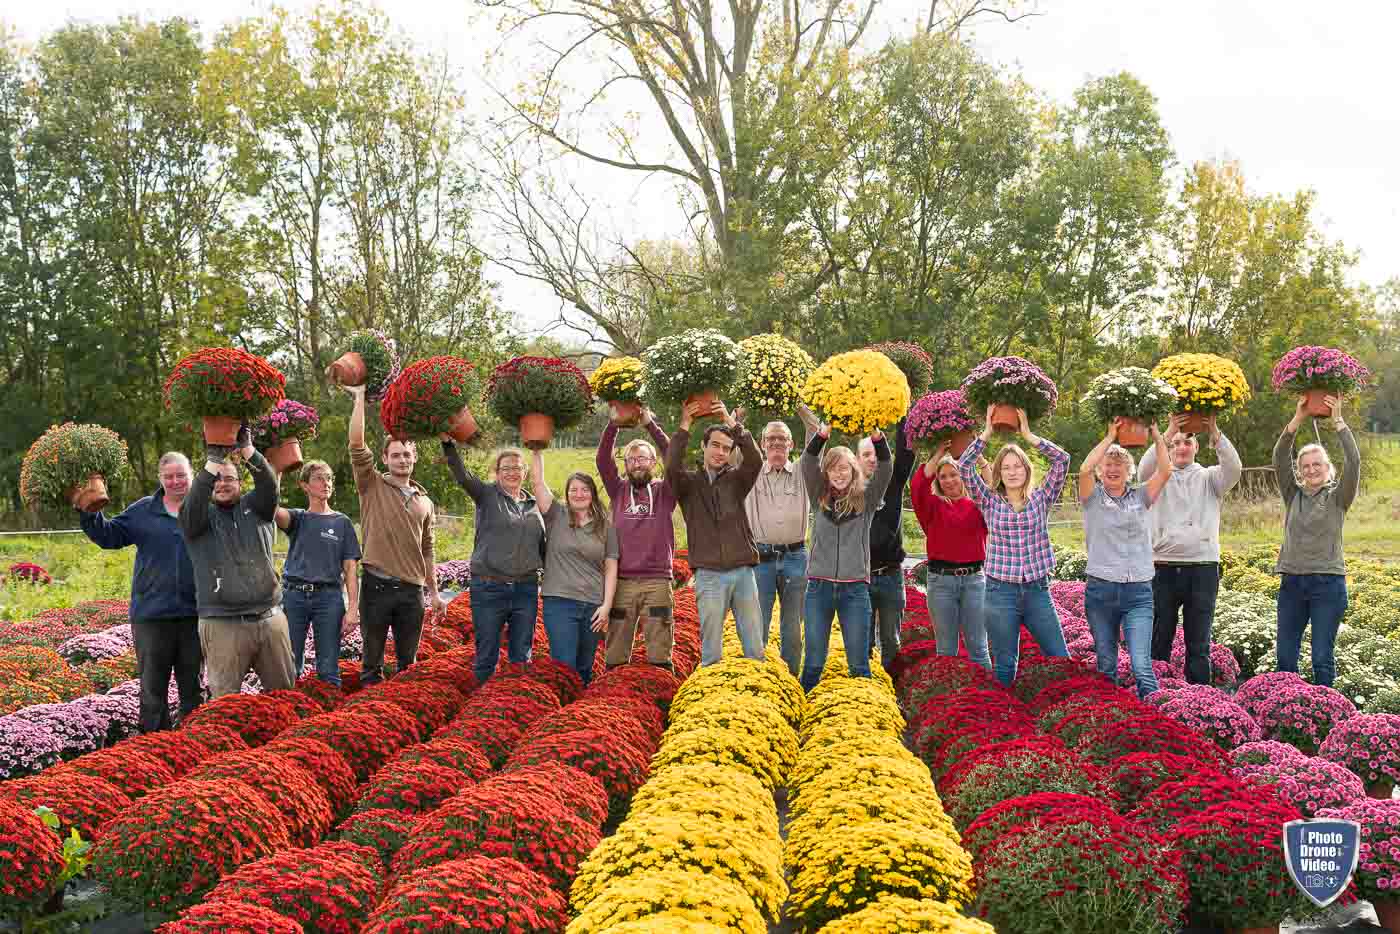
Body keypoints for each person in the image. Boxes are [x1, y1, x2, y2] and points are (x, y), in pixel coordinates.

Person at [79, 452, 202, 732]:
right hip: (152, 616)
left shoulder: (204, 509)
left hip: (195, 615)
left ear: (191, 475)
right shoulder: (144, 510)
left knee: (192, 689)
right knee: (152, 691)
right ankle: (153, 748)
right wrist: (89, 510)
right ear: (161, 479)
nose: (175, 481)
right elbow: (109, 536)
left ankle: (195, 745)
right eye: (169, 476)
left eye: (181, 475)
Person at [959, 406, 1072, 687]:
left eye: (1017, 466)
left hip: (1037, 591)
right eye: (1006, 467)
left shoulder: (1042, 497)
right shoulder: (988, 500)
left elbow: (1062, 460)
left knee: (1060, 658)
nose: (1012, 472)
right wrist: (985, 433)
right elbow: (963, 467)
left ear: (1026, 469)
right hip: (1000, 593)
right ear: (998, 472)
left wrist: (1029, 435)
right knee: (1006, 663)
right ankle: (1005, 719)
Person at [179, 425, 295, 698]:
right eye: (216, 480)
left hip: (270, 618)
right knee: (226, 702)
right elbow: (194, 499)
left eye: (229, 479)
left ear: (240, 484)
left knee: (285, 697)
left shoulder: (257, 508)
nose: (222, 484)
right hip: (222, 624)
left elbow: (268, 485)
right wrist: (213, 461)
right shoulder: (197, 518)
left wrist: (248, 450)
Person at [347, 386, 444, 686]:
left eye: (407, 455)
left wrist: (436, 593)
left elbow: (427, 551)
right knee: (371, 665)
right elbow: (356, 444)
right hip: (376, 587)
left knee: (407, 666)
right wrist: (360, 398)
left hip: (412, 592)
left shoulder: (425, 502)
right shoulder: (371, 485)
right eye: (396, 455)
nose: (402, 460)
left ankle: (400, 717)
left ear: (414, 458)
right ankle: (368, 719)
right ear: (385, 459)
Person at [1139, 412, 1242, 684]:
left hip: (1203, 568)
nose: (1181, 447)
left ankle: (1198, 698)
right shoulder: (1158, 479)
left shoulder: (1210, 478)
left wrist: (1214, 430)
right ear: (1169, 447)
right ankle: (1156, 696)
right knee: (1159, 638)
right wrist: (1170, 429)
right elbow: (1143, 469)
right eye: (1176, 444)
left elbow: (1234, 468)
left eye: (1188, 442)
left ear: (1197, 447)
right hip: (1162, 568)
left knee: (1199, 643)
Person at [665, 400, 764, 665]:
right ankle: (711, 695)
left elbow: (755, 459)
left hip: (743, 572)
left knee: (754, 648)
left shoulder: (737, 480)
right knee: (711, 652)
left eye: (726, 448)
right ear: (704, 447)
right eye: (715, 445)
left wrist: (731, 422)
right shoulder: (687, 484)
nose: (720, 452)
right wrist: (685, 425)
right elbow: (671, 466)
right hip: (708, 575)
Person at [1079, 420, 1172, 699]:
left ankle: (1157, 719)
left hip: (1138, 593)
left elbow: (1165, 470)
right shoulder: (1092, 497)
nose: (1113, 469)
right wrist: (1109, 437)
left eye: (1119, 465)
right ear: (1100, 470)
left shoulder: (1141, 496)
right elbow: (1084, 469)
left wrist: (1157, 435)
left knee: (1141, 666)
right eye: (1108, 465)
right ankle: (1112, 723)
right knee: (1106, 666)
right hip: (1101, 592)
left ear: (1128, 471)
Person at [798, 421, 893, 691]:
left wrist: (877, 436)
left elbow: (886, 468)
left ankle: (865, 715)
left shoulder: (868, 499)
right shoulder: (818, 496)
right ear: (825, 473)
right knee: (814, 662)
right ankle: (803, 716)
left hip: (855, 591)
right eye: (832, 468)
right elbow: (807, 462)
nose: (839, 474)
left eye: (844, 468)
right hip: (818, 589)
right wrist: (822, 434)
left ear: (853, 470)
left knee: (859, 664)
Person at [1273, 395, 1359, 688]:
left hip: (1328, 585)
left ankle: (1328, 720)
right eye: (1305, 465)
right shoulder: (1292, 493)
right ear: (1299, 470)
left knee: (1322, 657)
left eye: (1316, 464)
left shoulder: (1338, 497)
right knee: (1285, 658)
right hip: (1292, 585)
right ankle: (1286, 711)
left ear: (1327, 467)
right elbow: (1279, 456)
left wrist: (1338, 422)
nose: (1311, 469)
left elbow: (1354, 461)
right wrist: (1297, 419)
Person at [444, 442, 543, 683]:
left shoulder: (534, 505)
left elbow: (545, 545)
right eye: (506, 468)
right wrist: (448, 444)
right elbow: (463, 475)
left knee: (522, 655)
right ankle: (481, 705)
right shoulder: (487, 495)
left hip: (525, 589)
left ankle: (515, 704)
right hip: (490, 588)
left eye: (517, 468)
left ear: (525, 472)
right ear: (497, 473)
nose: (512, 473)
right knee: (487, 653)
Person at [595, 406, 678, 671]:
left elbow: (673, 458)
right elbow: (602, 461)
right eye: (631, 459)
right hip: (622, 582)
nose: (637, 463)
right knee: (616, 650)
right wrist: (613, 425)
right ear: (626, 465)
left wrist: (650, 425)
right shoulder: (617, 489)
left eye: (643, 458)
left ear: (654, 463)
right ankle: (614, 693)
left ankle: (660, 694)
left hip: (657, 581)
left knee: (659, 650)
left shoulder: (666, 491)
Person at [743, 406, 820, 677]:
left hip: (795, 558)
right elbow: (732, 436)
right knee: (757, 625)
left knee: (792, 630)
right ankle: (758, 680)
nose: (776, 443)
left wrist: (795, 400)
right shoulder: (750, 470)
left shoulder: (803, 470)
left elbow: (816, 430)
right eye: (770, 439)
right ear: (763, 445)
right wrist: (742, 409)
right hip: (760, 559)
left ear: (792, 444)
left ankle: (789, 681)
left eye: (782, 439)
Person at [531, 451, 618, 684]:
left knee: (584, 666)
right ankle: (560, 713)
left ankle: (576, 717)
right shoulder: (556, 515)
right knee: (563, 665)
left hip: (592, 604)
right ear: (567, 494)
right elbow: (538, 482)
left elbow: (611, 566)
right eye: (573, 490)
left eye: (584, 490)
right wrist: (536, 449)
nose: (579, 494)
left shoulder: (606, 526)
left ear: (592, 494)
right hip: (559, 602)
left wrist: (607, 606)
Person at [274, 461, 361, 686]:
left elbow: (351, 569)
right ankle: (291, 712)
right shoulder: (298, 519)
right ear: (305, 485)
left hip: (329, 599)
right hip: (295, 597)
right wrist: (276, 473)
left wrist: (352, 609)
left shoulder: (342, 523)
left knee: (328, 668)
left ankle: (328, 717)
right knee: (290, 666)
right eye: (319, 479)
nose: (326, 483)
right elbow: (272, 510)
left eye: (329, 478)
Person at [909, 441, 993, 671]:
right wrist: (939, 452)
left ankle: (987, 695)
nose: (948, 480)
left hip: (974, 581)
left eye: (953, 474)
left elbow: (996, 486)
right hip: (941, 582)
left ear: (964, 476)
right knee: (946, 650)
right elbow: (918, 485)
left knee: (979, 647)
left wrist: (978, 456)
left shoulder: (979, 505)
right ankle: (948, 700)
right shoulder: (932, 507)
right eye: (943, 476)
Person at [860, 417, 915, 672]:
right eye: (865, 454)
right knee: (863, 642)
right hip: (860, 577)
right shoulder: (848, 490)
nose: (872, 458)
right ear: (857, 460)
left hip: (892, 577)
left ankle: (892, 689)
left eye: (875, 453)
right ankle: (866, 692)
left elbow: (906, 453)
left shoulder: (892, 484)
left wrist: (901, 413)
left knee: (891, 642)